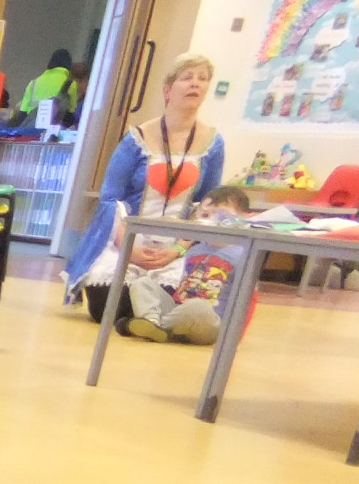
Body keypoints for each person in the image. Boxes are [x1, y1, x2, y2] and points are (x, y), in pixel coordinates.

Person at [65, 51, 227, 325]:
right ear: (167, 90)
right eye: (187, 77)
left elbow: (209, 204)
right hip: (128, 239)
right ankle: (148, 319)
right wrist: (128, 247)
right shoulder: (136, 139)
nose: (195, 83)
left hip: (176, 247)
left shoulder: (213, 144)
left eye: (202, 78)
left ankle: (151, 319)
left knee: (181, 295)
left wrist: (177, 250)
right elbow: (110, 199)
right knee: (106, 305)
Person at [125, 184, 254, 344]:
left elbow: (248, 300)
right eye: (205, 215)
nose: (212, 221)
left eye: (222, 217)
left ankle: (159, 327)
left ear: (245, 219)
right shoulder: (195, 250)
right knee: (142, 283)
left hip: (209, 323)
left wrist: (234, 335)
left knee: (198, 306)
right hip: (179, 312)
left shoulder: (243, 254)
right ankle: (151, 322)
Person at [11, 48, 76, 129]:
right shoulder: (70, 84)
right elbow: (70, 114)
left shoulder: (33, 82)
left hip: (30, 128)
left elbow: (22, 113)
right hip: (52, 130)